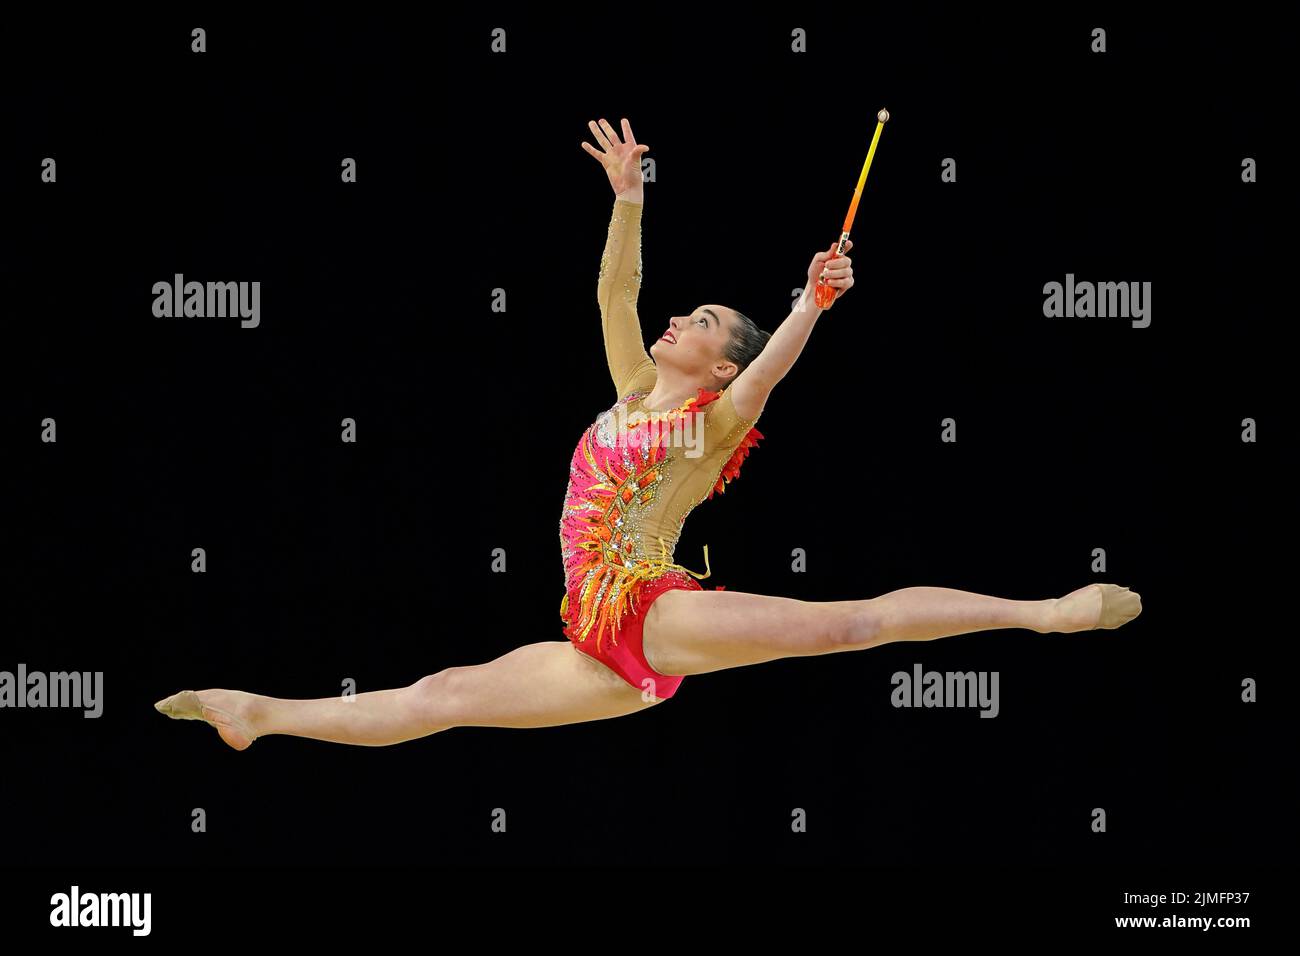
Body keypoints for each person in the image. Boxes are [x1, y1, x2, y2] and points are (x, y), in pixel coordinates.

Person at [155, 116, 1141, 751]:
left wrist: (808, 303)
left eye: (705, 321)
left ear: (719, 365)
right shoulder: (633, 383)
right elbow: (612, 289)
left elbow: (767, 369)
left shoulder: (707, 422)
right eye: (693, 312)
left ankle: (1045, 611)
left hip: (650, 608)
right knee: (442, 691)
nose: (682, 320)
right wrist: (629, 196)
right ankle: (259, 713)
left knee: (848, 623)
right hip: (590, 635)